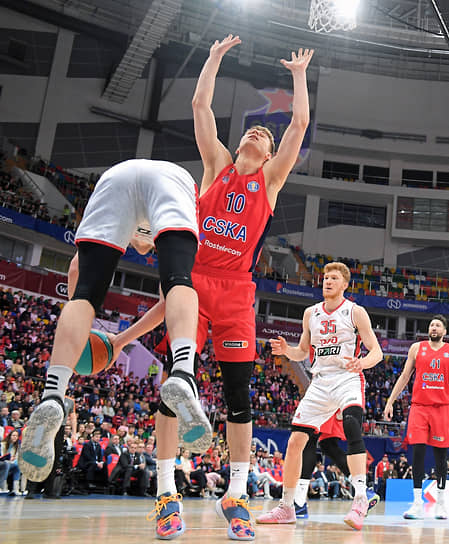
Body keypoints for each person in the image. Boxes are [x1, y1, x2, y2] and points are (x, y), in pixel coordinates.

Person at [18, 159, 211, 502]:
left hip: (114, 174)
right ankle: (183, 372)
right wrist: (122, 341)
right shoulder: (181, 204)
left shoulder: (130, 216)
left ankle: (53, 392)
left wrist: (89, 333)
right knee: (180, 280)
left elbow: (76, 269)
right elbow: (169, 301)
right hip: (174, 178)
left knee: (84, 295)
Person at [188, 34, 313, 542]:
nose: (261, 131)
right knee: (180, 378)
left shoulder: (271, 180)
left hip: (237, 289)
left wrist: (299, 77)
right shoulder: (216, 164)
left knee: (239, 393)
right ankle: (168, 486)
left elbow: (299, 124)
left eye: (266, 133)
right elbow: (200, 103)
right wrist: (214, 57)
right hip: (193, 281)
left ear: (267, 156)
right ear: (241, 144)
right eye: (256, 128)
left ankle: (235, 493)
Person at [256, 262, 383, 531]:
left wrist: (362, 363)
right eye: (325, 277)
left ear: (345, 284)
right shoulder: (310, 313)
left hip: (347, 377)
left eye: (334, 278)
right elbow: (302, 351)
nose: (327, 281)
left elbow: (377, 352)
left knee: (351, 426)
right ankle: (287, 506)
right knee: (295, 442)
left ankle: (361, 499)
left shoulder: (355, 312)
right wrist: (286, 351)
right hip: (320, 382)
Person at [384, 315, 449, 520]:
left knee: (441, 457)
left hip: (442, 408)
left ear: (444, 332)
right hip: (419, 407)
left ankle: (441, 503)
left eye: (438, 325)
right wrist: (390, 401)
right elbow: (404, 376)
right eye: (431, 325)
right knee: (417, 453)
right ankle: (417, 503)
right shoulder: (416, 348)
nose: (434, 327)